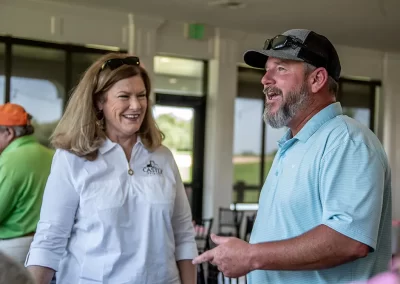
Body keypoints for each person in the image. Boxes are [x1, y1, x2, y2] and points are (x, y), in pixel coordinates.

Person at [193, 29, 392, 284]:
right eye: (266, 70)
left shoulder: (347, 141)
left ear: (317, 79)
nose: (265, 79)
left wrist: (252, 256)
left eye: (281, 69)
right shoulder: (293, 145)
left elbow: (349, 240)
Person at [25, 53, 198, 284]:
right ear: (99, 101)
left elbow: (184, 235)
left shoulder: (163, 157)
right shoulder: (72, 158)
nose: (136, 105)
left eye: (142, 95)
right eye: (124, 96)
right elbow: (49, 240)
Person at [0, 103, 54, 263]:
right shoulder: (52, 155)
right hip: (45, 248)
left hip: (12, 250)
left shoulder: (9, 160)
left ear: (8, 132)